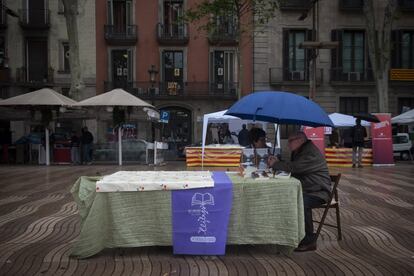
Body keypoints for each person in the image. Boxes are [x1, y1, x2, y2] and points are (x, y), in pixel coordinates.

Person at [267, 131, 331, 252]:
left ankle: (309, 241)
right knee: (286, 198)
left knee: (300, 202)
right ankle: (290, 233)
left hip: (318, 191)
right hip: (307, 188)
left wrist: (276, 164)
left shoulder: (310, 152)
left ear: (300, 140)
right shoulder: (300, 151)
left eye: (290, 141)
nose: (288, 144)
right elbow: (292, 165)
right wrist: (278, 162)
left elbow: (295, 168)